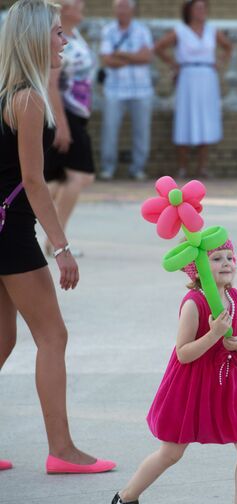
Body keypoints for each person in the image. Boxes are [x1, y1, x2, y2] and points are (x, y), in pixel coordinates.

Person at [0, 0, 115, 474]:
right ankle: (62, 450)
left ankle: (62, 448)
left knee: (3, 339)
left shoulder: (12, 93)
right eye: (56, 32)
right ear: (33, 38)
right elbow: (33, 179)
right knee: (53, 335)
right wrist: (61, 246)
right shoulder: (27, 98)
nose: (64, 40)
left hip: (5, 229)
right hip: (12, 233)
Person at [110, 240, 237, 504]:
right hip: (190, 385)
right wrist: (214, 334)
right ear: (198, 269)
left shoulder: (235, 297)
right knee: (172, 452)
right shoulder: (193, 303)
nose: (226, 263)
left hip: (227, 381)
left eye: (230, 257)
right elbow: (184, 353)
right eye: (217, 258)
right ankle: (127, 497)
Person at [155, 0, 232, 179]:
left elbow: (228, 46)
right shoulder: (180, 30)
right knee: (185, 119)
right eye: (197, 8)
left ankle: (202, 168)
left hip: (207, 77)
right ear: (189, 11)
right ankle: (182, 168)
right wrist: (173, 64)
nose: (201, 11)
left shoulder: (212, 30)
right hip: (188, 76)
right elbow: (158, 47)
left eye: (203, 8)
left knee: (205, 120)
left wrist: (219, 62)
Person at [44, 0, 95, 256]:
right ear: (63, 8)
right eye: (75, 2)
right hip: (66, 116)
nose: (82, 5)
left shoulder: (76, 35)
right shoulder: (59, 38)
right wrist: (62, 125)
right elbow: (51, 84)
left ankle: (51, 236)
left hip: (77, 116)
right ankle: (57, 241)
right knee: (80, 175)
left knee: (58, 179)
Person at [99, 0, 153, 181]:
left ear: (132, 9)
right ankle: (108, 168)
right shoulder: (108, 30)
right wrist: (135, 57)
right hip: (114, 89)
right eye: (118, 7)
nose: (121, 10)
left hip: (141, 90)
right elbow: (106, 60)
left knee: (142, 130)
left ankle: (138, 169)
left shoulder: (142, 30)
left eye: (124, 6)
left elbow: (147, 57)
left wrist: (122, 55)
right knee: (110, 129)